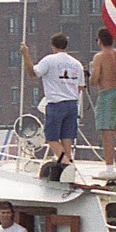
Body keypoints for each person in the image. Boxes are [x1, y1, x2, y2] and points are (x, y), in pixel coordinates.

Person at [21, 33, 85, 165]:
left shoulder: (49, 60)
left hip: (56, 104)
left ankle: (66, 162)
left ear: (53, 46)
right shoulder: (77, 64)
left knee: (51, 137)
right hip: (72, 104)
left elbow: (32, 73)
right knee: (67, 137)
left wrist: (26, 55)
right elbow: (80, 86)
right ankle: (67, 164)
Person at [89, 28, 116, 177]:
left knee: (106, 132)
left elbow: (94, 79)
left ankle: (109, 168)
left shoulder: (99, 56)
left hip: (107, 94)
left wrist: (91, 76)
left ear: (100, 41)